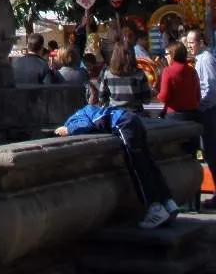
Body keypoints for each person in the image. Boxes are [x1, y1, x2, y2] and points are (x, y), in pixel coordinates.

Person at [55, 103, 179, 229]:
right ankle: (168, 203)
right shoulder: (91, 109)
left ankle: (155, 209)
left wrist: (67, 130)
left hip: (123, 123)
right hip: (133, 119)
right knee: (148, 163)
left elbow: (84, 125)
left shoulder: (73, 119)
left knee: (137, 168)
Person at [185, 29, 216, 208]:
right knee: (208, 153)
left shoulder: (206, 60)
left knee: (212, 152)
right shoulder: (199, 60)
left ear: (201, 42)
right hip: (205, 110)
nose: (190, 46)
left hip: (209, 111)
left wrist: (199, 106)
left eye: (193, 42)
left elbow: (210, 88)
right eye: (188, 43)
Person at [97, 42, 152, 112]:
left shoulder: (107, 73)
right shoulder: (139, 74)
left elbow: (101, 98)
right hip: (135, 115)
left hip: (115, 116)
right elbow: (147, 100)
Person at [158, 43, 200, 120]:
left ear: (172, 55)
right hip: (193, 115)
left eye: (167, 54)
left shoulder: (168, 71)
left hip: (175, 115)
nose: (165, 56)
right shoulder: (192, 70)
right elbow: (198, 96)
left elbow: (164, 97)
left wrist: (156, 94)